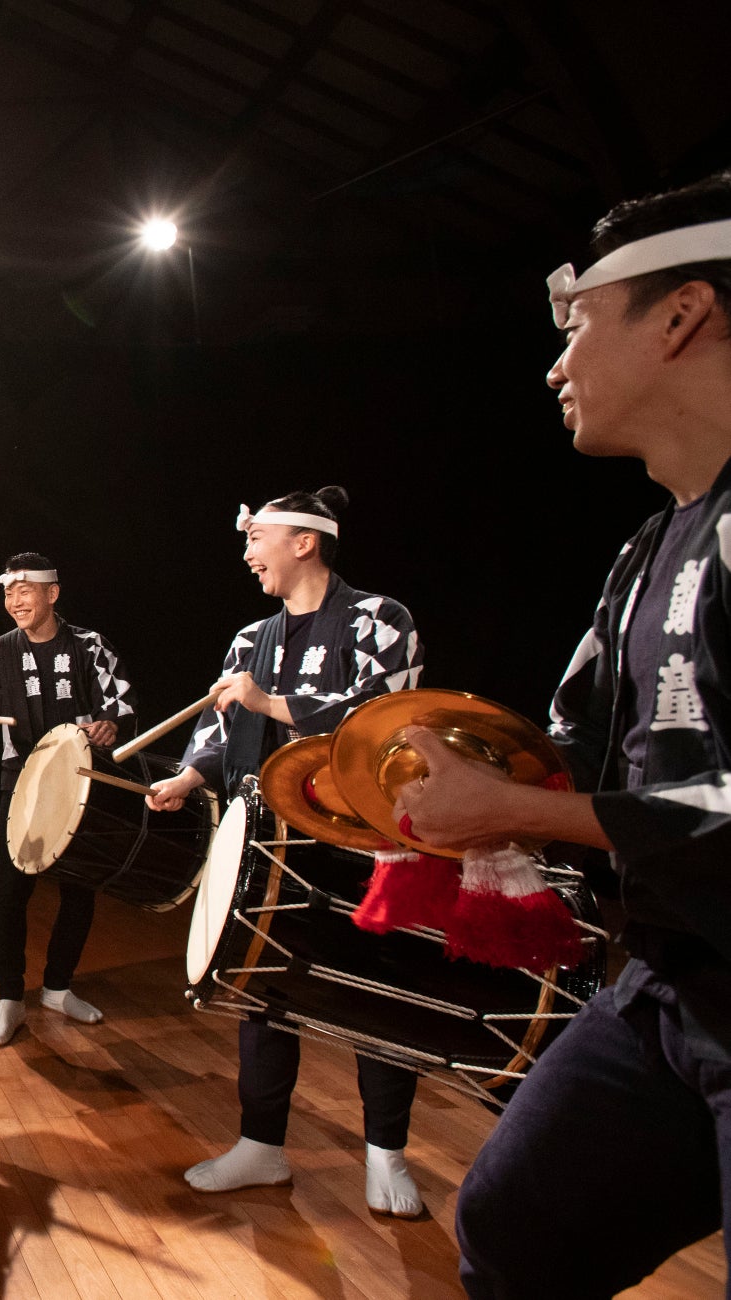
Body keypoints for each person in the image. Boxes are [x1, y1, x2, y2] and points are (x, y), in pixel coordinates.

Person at [397, 171, 731, 1297]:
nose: (555, 364)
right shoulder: (645, 554)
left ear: (681, 313)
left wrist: (516, 811)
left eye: (579, 324)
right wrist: (408, 780)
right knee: (516, 1225)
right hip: (678, 988)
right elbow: (573, 752)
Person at [148, 488, 428, 1215]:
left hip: (362, 840)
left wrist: (269, 704)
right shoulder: (253, 638)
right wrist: (187, 775)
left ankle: (385, 1151)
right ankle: (262, 1145)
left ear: (305, 542)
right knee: (263, 992)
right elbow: (218, 726)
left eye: (258, 538)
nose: (247, 554)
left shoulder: (379, 618)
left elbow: (384, 712)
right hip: (269, 838)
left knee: (379, 991)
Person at [0, 552, 138, 1044]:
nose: (16, 601)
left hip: (82, 778)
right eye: (8, 593)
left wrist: (112, 724)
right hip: (21, 778)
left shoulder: (88, 646)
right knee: (12, 892)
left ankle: (58, 987)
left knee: (79, 888)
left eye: (26, 591)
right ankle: (9, 997)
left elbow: (120, 701)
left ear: (52, 594)